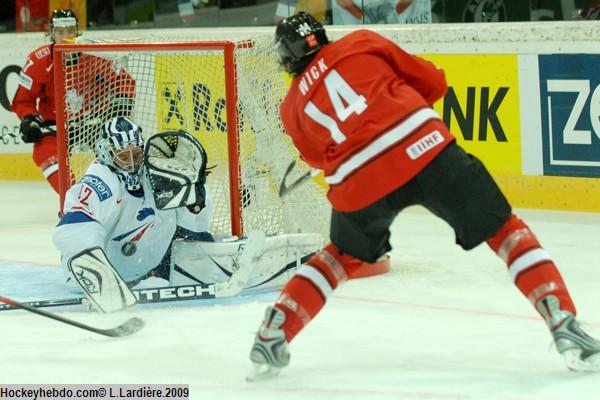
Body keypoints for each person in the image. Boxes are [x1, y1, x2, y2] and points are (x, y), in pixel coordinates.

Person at [247, 12, 600, 380]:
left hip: (359, 180)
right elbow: (433, 82)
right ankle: (561, 317)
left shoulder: (291, 109)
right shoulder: (361, 42)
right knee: (505, 230)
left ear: (287, 55)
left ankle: (275, 329)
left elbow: (319, 158)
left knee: (340, 257)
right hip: (426, 147)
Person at [53, 117, 214, 312]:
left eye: (136, 155)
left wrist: (194, 198)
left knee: (185, 205)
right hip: (106, 272)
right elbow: (73, 227)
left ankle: (193, 261)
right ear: (107, 153)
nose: (131, 163)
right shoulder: (100, 181)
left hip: (144, 267)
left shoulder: (151, 171)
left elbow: (189, 212)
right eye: (123, 156)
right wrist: (101, 278)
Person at [11, 9, 135, 194]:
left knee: (122, 145)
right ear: (52, 34)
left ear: (77, 32)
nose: (66, 37)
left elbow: (124, 82)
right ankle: (74, 198)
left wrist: (121, 101)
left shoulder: (95, 54)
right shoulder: (38, 61)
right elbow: (23, 101)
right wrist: (29, 119)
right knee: (44, 152)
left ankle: (124, 195)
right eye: (60, 32)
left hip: (96, 121)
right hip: (57, 125)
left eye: (70, 31)